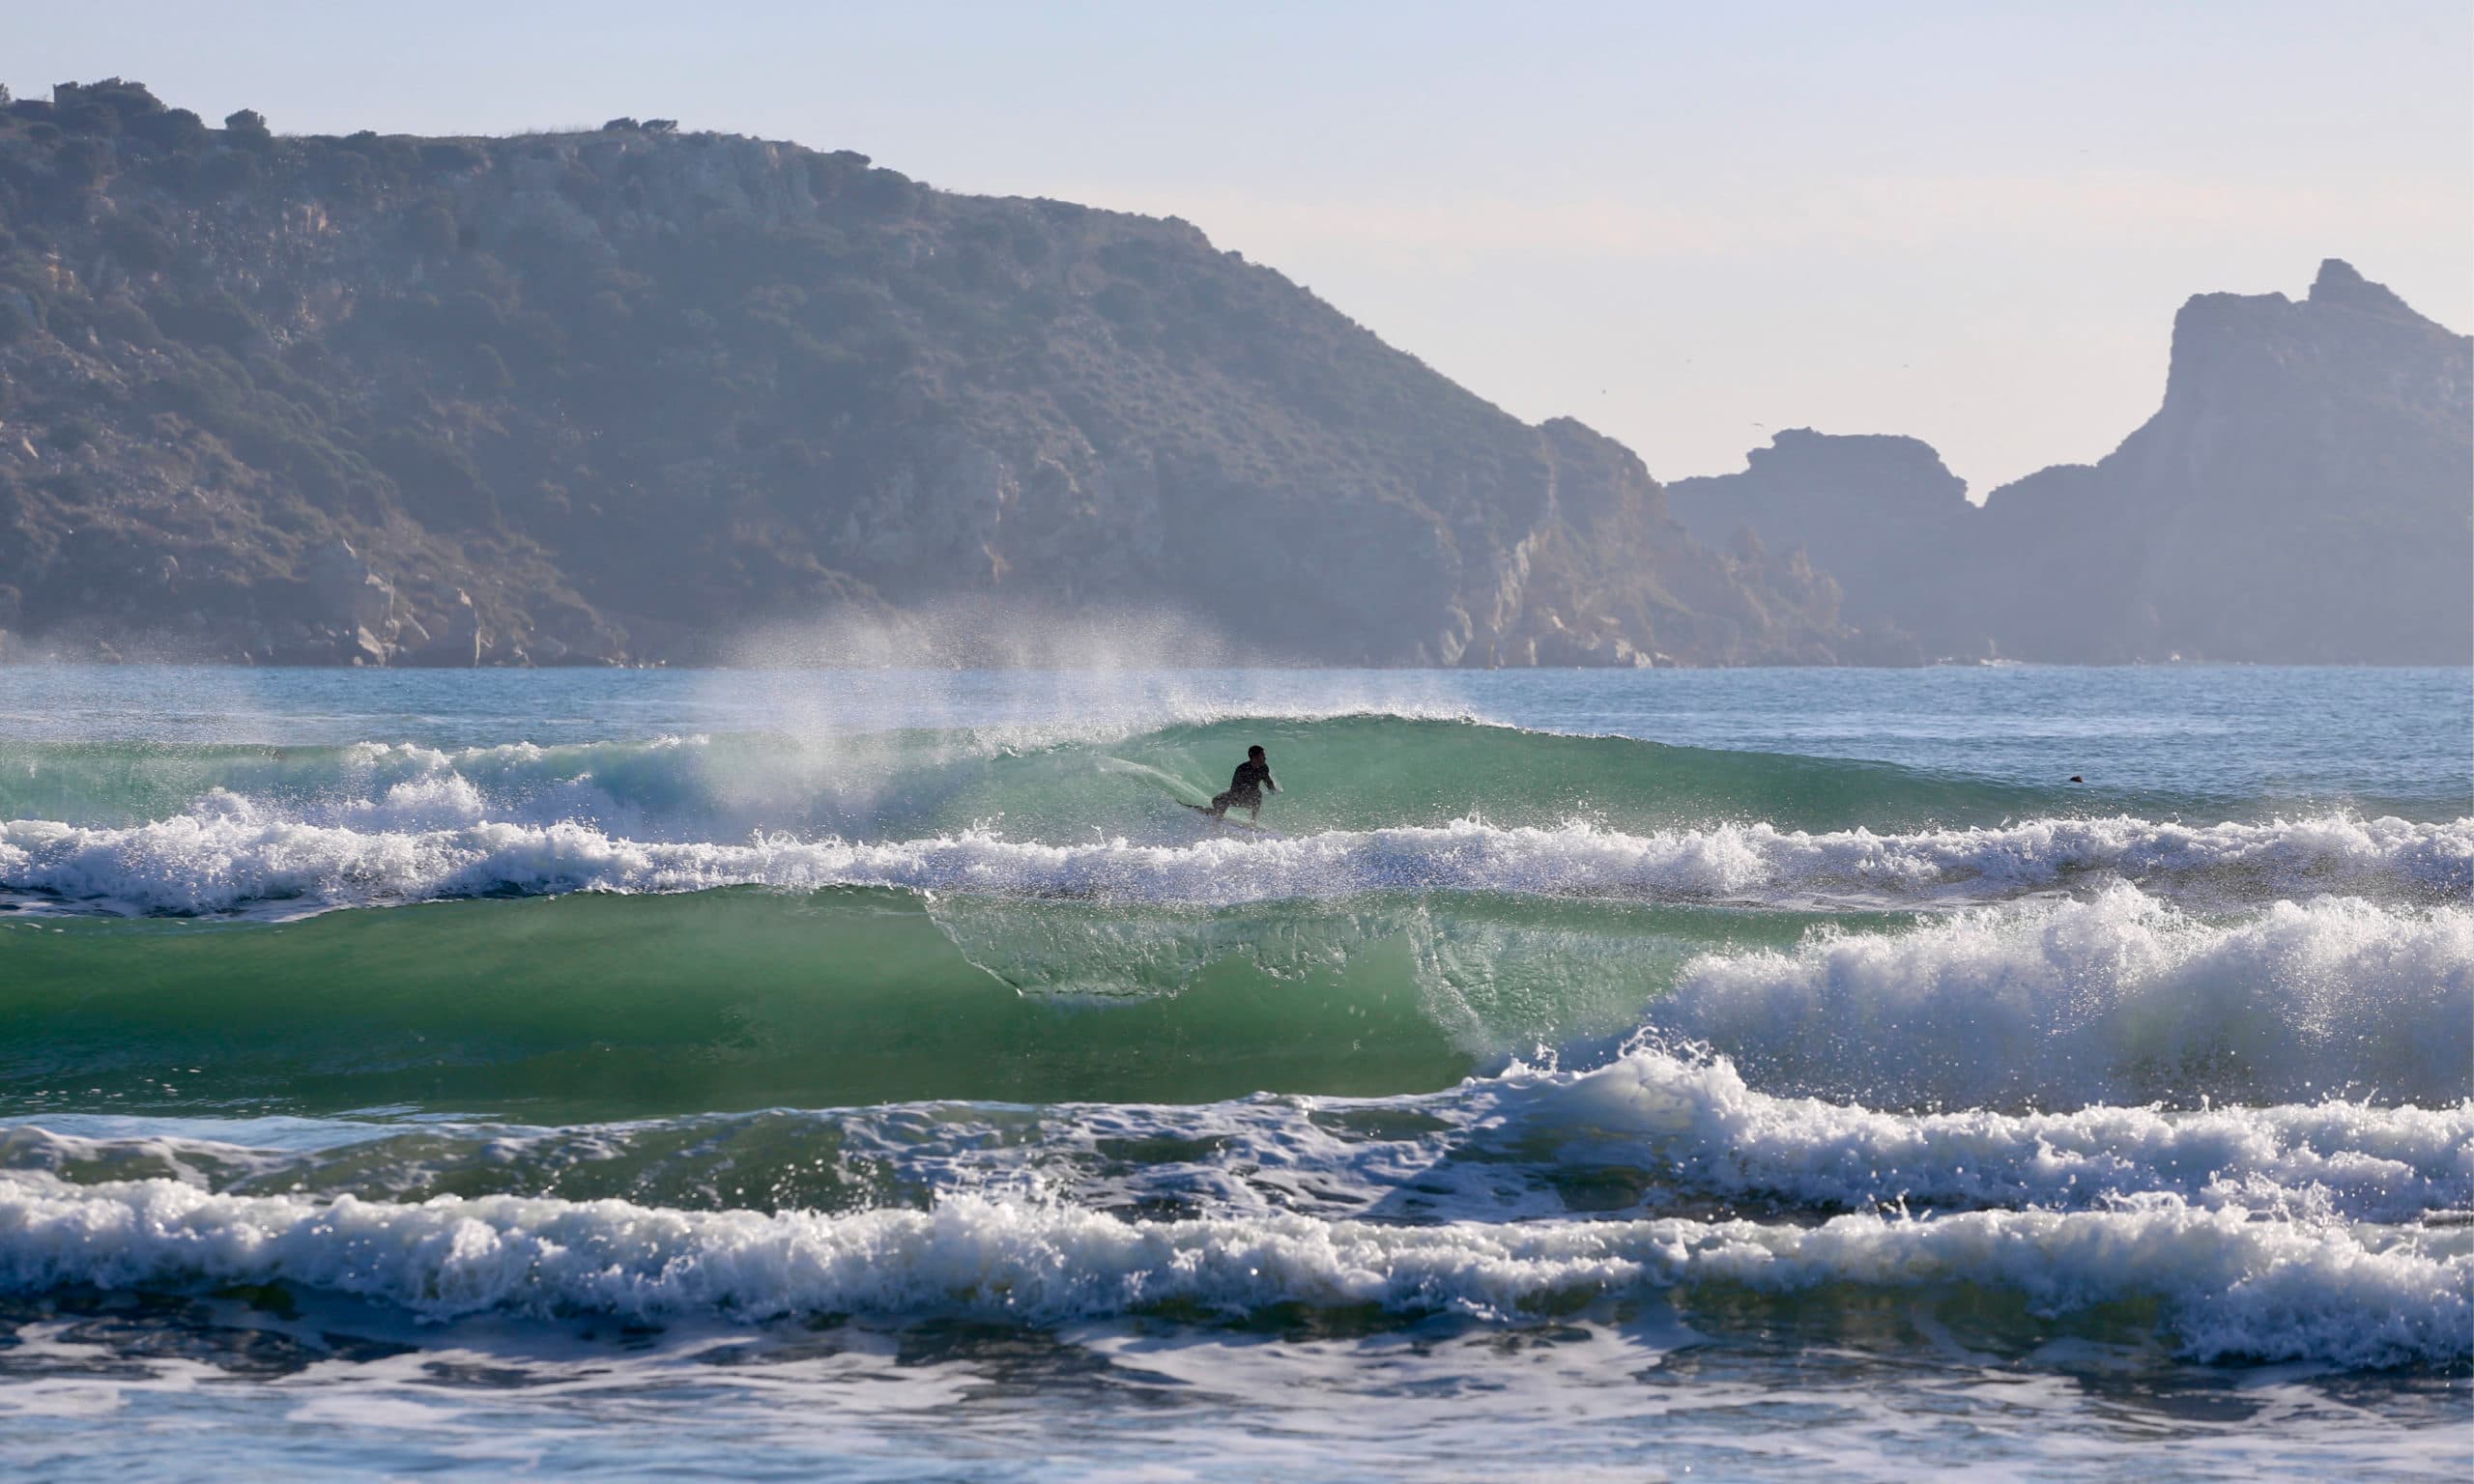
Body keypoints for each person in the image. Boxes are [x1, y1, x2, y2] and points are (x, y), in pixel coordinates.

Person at [1207, 745, 1280, 822]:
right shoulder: (1242, 768)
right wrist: (1242, 792)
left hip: (1250, 799)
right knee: (1216, 800)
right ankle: (1216, 815)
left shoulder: (1263, 768)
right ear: (1255, 757)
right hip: (1237, 797)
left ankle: (1253, 822)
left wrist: (1273, 791)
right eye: (1262, 755)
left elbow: (1268, 781)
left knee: (1258, 794)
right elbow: (1234, 788)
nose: (1265, 758)